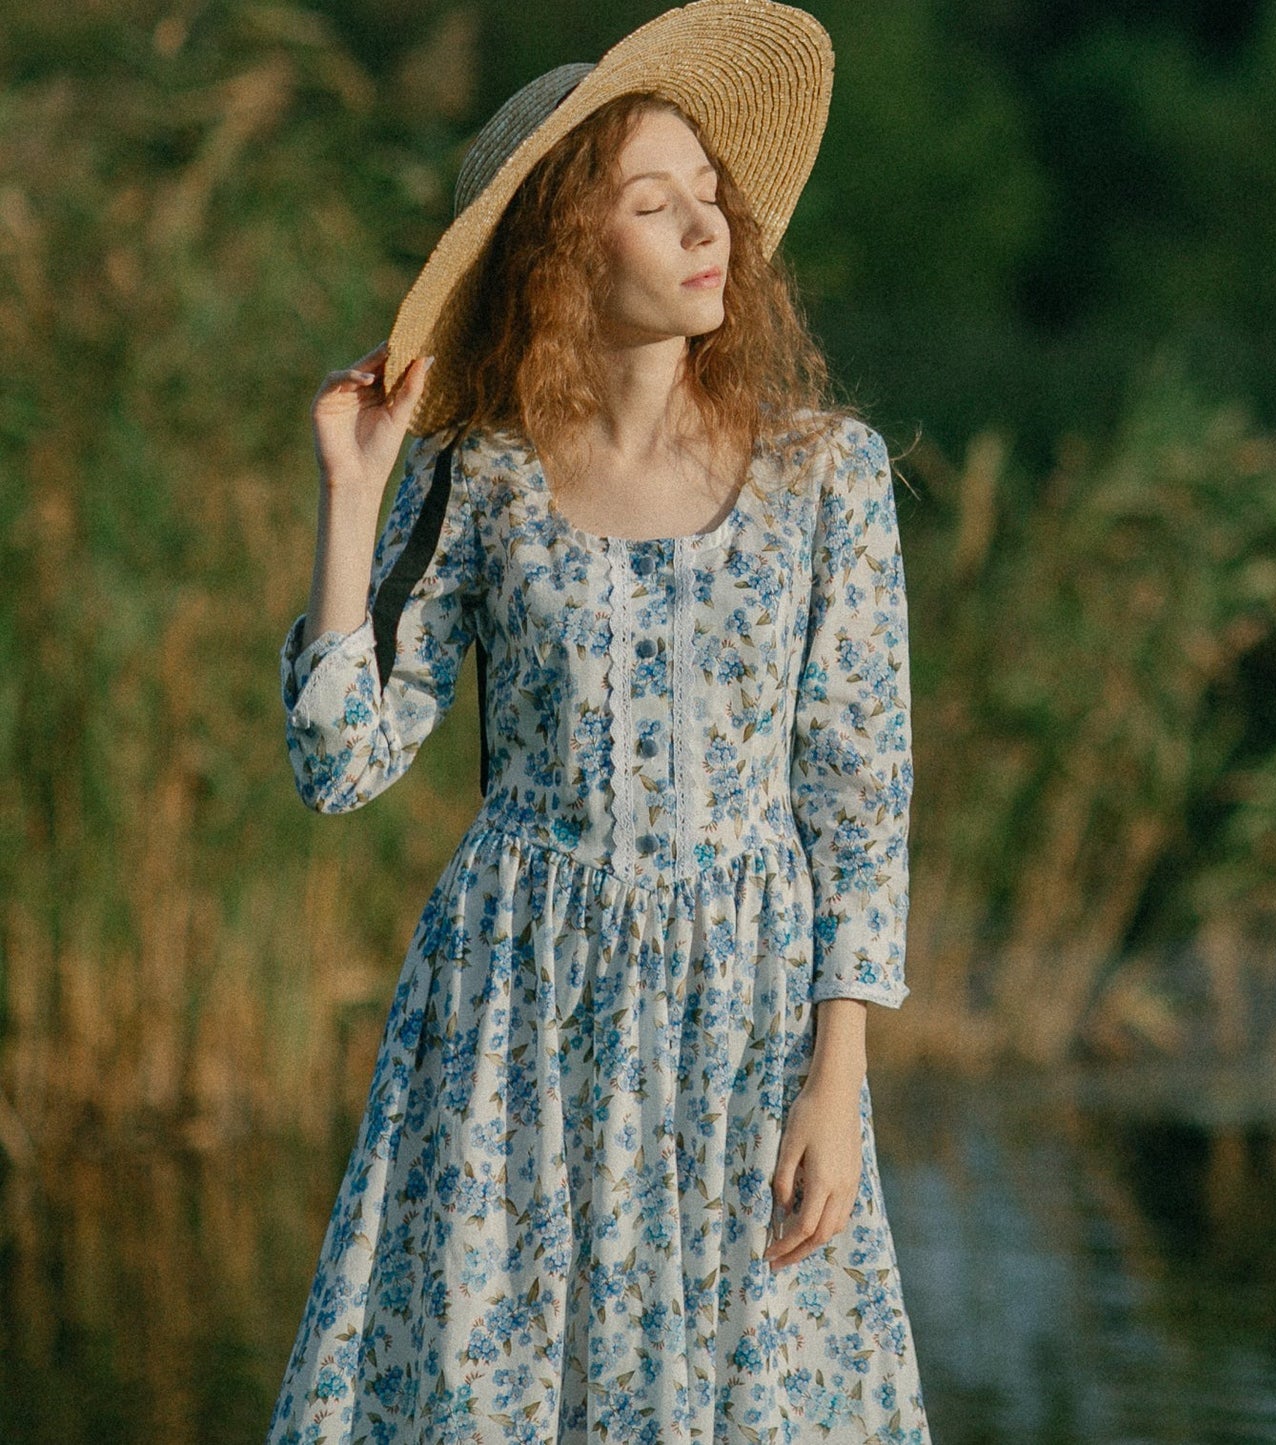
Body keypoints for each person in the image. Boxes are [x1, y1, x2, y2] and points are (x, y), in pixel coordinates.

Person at [267, 2, 932, 1441]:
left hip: (746, 1012)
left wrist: (838, 1071)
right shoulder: (485, 482)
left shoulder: (827, 475)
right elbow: (339, 761)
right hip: (514, 1012)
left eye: (709, 194)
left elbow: (857, 788)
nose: (708, 226)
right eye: (653, 201)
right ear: (571, 249)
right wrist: (353, 495)